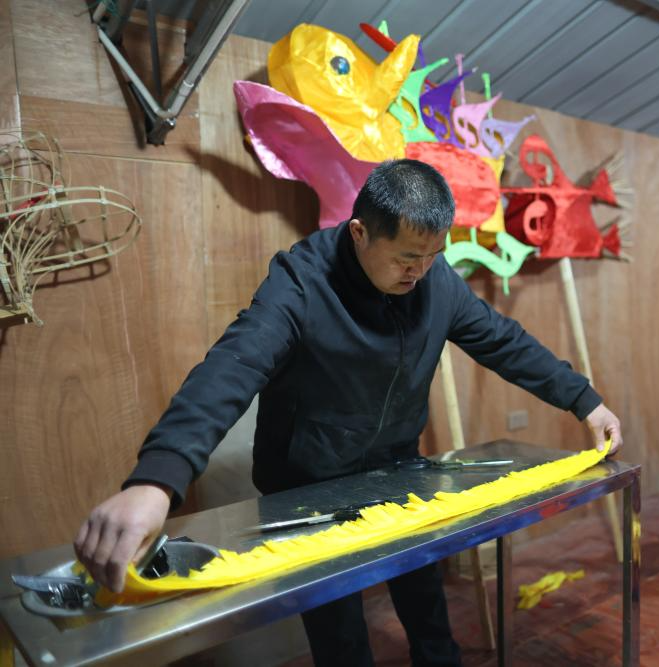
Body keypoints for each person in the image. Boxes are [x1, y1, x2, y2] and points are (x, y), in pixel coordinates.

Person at [74, 159, 623, 666]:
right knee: (340, 635)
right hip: (306, 484)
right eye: (406, 257)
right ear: (360, 233)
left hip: (396, 467)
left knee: (426, 603)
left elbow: (505, 343)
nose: (420, 271)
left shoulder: (435, 281)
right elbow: (232, 367)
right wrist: (157, 479)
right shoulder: (301, 282)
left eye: (433, 255)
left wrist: (584, 400)